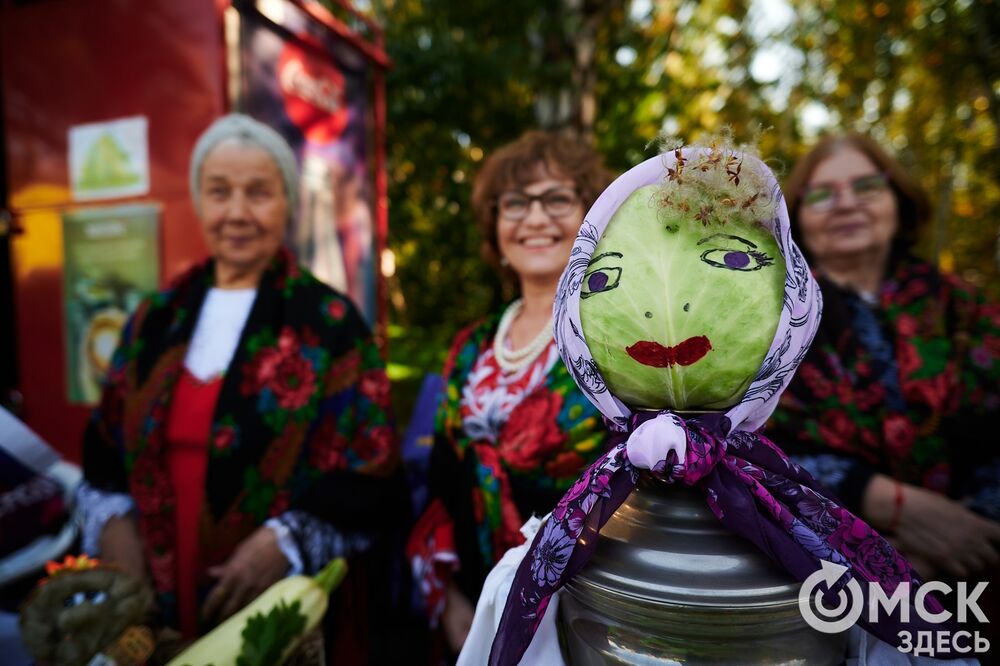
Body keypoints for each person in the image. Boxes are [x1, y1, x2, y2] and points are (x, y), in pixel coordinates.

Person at [77, 113, 408, 661]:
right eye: (219, 192)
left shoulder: (327, 322)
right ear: (200, 201)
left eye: (258, 193)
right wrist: (114, 528)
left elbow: (375, 473)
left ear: (287, 204)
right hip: (149, 606)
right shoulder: (156, 319)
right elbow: (104, 448)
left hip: (274, 611)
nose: (236, 212)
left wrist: (286, 541)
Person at [406, 130, 615, 659]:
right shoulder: (470, 346)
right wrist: (451, 597)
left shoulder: (615, 340)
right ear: (495, 226)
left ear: (591, 218)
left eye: (558, 199)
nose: (535, 218)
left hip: (578, 618)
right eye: (516, 203)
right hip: (472, 605)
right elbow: (442, 479)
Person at [768, 132, 1000, 583]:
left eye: (866, 186)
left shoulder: (964, 308)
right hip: (823, 576)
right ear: (797, 216)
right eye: (821, 194)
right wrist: (884, 506)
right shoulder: (772, 320)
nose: (845, 203)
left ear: (898, 198)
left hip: (977, 566)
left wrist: (972, 529)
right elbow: (750, 450)